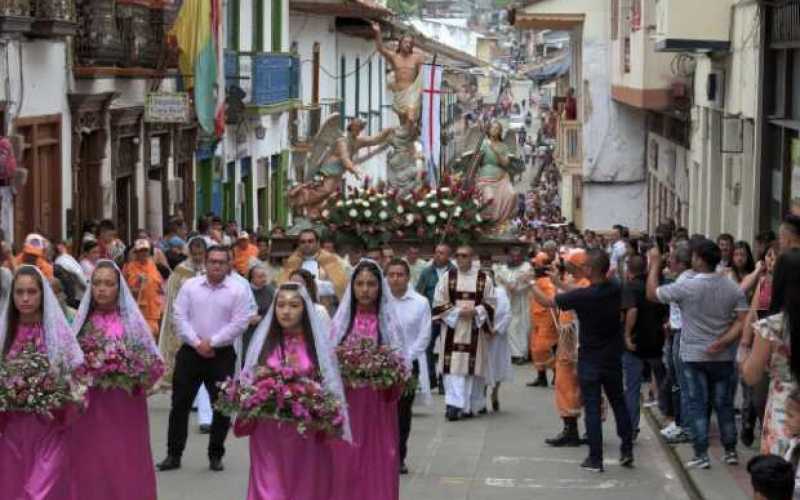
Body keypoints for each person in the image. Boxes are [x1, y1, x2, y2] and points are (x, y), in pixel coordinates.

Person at [236, 283, 350, 500]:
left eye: (294, 305)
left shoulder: (317, 347)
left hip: (306, 433)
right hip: (268, 433)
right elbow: (247, 385)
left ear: (305, 309)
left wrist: (327, 415)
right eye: (281, 305)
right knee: (269, 488)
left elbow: (329, 388)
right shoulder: (264, 344)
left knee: (306, 488)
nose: (286, 311)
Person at [647, 240, 748, 469]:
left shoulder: (687, 286)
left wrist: (654, 264)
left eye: (694, 257)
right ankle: (730, 451)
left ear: (700, 259)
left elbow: (652, 294)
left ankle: (701, 454)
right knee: (723, 404)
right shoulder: (731, 286)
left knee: (697, 404)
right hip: (722, 356)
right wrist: (724, 340)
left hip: (693, 355)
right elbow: (742, 321)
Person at [531, 249, 634, 472]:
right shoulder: (615, 287)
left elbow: (549, 302)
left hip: (590, 359)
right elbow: (576, 291)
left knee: (592, 409)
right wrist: (559, 282)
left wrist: (531, 284)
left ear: (588, 269)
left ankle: (595, 458)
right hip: (612, 357)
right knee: (619, 402)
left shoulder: (583, 296)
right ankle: (627, 449)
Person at [68, 261, 163, 500]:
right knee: (91, 459)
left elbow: (153, 364)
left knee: (125, 458)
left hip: (125, 406)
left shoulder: (131, 323)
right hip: (90, 407)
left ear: (119, 288)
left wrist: (131, 370)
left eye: (109, 284)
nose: (102, 289)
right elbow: (69, 362)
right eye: (97, 283)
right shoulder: (82, 324)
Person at [157, 246, 255, 472]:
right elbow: (179, 316)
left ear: (229, 264)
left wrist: (213, 342)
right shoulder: (190, 286)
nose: (217, 265)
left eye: (222, 262)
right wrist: (197, 342)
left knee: (221, 406)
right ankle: (173, 454)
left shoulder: (238, 290)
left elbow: (239, 322)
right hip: (191, 352)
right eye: (213, 261)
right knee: (179, 404)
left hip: (221, 355)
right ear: (206, 263)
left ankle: (215, 454)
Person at [0, 265, 85, 498]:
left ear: (43, 294)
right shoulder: (5, 335)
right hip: (13, 434)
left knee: (42, 491)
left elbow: (78, 380)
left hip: (50, 430)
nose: (25, 298)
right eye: (19, 292)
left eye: (32, 291)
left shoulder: (57, 335)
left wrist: (63, 397)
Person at [329, 259, 406, 500]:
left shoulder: (389, 325)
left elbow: (401, 368)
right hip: (347, 406)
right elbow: (327, 367)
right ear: (352, 287)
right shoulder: (341, 325)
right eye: (360, 283)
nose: (365, 289)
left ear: (380, 288)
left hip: (379, 408)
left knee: (380, 459)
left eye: (371, 284)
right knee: (345, 460)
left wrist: (387, 373)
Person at [741, 250, 800, 459]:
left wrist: (744, 351)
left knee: (778, 479)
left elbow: (751, 375)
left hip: (782, 411)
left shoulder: (772, 327)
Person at [432, 244, 496, 420]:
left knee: (470, 369)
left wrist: (476, 311)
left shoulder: (484, 279)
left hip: (474, 328)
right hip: (453, 327)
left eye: (465, 256)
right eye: (458, 255)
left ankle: (469, 406)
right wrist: (458, 311)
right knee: (453, 368)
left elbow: (491, 303)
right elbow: (438, 301)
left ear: (472, 257)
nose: (461, 259)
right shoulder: (448, 277)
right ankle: (453, 405)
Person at [533, 249, 589, 448]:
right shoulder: (576, 281)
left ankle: (581, 431)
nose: (564, 267)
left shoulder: (585, 285)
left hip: (577, 342)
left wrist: (532, 284)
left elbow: (552, 300)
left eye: (567, 263)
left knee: (575, 385)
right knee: (568, 384)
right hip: (571, 340)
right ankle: (573, 429)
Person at [288, 119, 391, 218]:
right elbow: (345, 158)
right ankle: (299, 198)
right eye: (358, 128)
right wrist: (354, 170)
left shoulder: (357, 141)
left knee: (327, 195)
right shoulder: (342, 141)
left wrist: (389, 130)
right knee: (325, 190)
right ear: (352, 128)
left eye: (361, 128)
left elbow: (374, 140)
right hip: (327, 170)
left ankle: (314, 210)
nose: (359, 131)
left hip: (337, 172)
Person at [385, 258, 431, 474]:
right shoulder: (381, 302)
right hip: (381, 365)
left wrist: (407, 358)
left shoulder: (420, 302)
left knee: (402, 414)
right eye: (391, 275)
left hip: (409, 365)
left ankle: (399, 456)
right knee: (382, 414)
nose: (395, 279)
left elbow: (424, 335)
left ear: (407, 277)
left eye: (400, 275)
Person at [621, 254, 667, 439]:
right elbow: (665, 312)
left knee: (632, 386)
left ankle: (632, 426)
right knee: (663, 380)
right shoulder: (654, 286)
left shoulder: (630, 287)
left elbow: (631, 310)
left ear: (629, 269)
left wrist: (626, 334)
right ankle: (667, 415)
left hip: (636, 342)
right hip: (656, 341)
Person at [738, 242, 778, 446]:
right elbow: (752, 313)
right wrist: (745, 344)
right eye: (769, 256)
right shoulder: (762, 282)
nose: (772, 260)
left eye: (776, 256)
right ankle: (754, 424)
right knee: (757, 394)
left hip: (780, 347)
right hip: (761, 342)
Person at [371, 22, 425, 125]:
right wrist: (377, 32)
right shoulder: (394, 57)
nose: (407, 44)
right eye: (405, 42)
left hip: (412, 93)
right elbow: (380, 49)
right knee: (403, 122)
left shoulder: (417, 58)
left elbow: (421, 77)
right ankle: (407, 139)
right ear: (400, 43)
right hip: (399, 94)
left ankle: (411, 129)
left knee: (410, 116)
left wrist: (420, 93)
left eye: (410, 43)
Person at [416, 243, 454, 391]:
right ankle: (431, 378)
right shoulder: (426, 272)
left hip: (449, 317)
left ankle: (444, 381)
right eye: (436, 252)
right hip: (430, 317)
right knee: (427, 348)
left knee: (448, 349)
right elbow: (419, 293)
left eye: (442, 253)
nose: (438, 255)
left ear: (448, 256)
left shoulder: (454, 272)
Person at [279, 229, 347, 301]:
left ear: (317, 243)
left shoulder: (331, 260)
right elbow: (282, 285)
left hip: (326, 306)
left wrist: (312, 285)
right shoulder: (292, 262)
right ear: (299, 244)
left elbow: (340, 285)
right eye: (303, 242)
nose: (307, 244)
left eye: (310, 241)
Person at [475, 120, 517, 229]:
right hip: (485, 179)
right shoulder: (483, 143)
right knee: (490, 198)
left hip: (501, 178)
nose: (495, 130)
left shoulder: (503, 146)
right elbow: (476, 161)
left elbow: (505, 163)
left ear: (500, 132)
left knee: (512, 195)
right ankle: (488, 224)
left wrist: (494, 150)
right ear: (489, 130)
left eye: (497, 128)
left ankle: (501, 222)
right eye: (493, 128)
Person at [494, 246, 532, 364]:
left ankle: (522, 354)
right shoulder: (502, 268)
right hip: (507, 301)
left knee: (521, 328)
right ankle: (512, 354)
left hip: (522, 302)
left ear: (521, 257)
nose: (515, 258)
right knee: (509, 327)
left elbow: (526, 282)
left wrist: (515, 286)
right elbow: (499, 280)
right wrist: (507, 286)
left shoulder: (526, 267)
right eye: (512, 256)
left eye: (517, 256)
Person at [123, 239, 164, 338]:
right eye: (141, 251)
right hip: (139, 311)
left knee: (154, 338)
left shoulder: (152, 265)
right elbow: (126, 290)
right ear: (136, 253)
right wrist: (138, 283)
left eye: (146, 250)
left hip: (154, 310)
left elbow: (160, 285)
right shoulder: (129, 267)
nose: (144, 253)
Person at [484, 268, 512, 412]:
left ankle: (494, 393)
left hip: (498, 337)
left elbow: (507, 314)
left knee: (498, 366)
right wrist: (484, 329)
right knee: (481, 367)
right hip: (483, 336)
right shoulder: (476, 294)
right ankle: (480, 397)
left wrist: (496, 330)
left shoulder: (501, 293)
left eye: (489, 277)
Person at [528, 252, 557, 387]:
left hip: (546, 318)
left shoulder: (547, 281)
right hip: (536, 318)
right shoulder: (538, 280)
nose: (533, 267)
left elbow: (551, 300)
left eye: (535, 265)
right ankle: (541, 377)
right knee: (535, 347)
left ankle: (557, 373)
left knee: (543, 348)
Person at [241, 264, 275, 366]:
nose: (264, 279)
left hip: (265, 328)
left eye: (264, 276)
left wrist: (262, 318)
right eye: (260, 277)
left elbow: (273, 309)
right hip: (247, 330)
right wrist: (247, 319)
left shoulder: (270, 290)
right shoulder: (244, 290)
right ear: (252, 278)